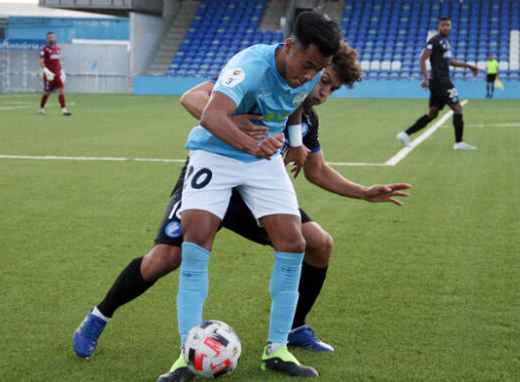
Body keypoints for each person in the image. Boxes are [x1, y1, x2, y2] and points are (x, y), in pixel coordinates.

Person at [72, 41, 410, 379]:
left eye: (331, 88)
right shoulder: (256, 77)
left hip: (254, 193)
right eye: (323, 81)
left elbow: (316, 171)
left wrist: (364, 193)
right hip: (213, 172)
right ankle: (99, 316)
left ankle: (290, 331)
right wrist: (234, 124)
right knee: (164, 259)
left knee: (317, 243)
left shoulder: (305, 119)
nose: (322, 91)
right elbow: (193, 97)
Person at [396, 16, 479, 150]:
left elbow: (450, 61)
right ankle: (459, 143)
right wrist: (425, 78)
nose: (446, 27)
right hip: (441, 81)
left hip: (439, 81)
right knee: (458, 109)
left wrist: (468, 66)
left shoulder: (446, 41)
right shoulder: (435, 40)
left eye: (448, 25)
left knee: (432, 114)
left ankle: (405, 134)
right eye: (443, 25)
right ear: (438, 27)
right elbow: (422, 59)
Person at [39, 32, 71, 116]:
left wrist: (62, 71)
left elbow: (58, 61)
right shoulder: (44, 49)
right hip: (49, 75)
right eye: (49, 37)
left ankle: (64, 110)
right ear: (47, 39)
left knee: (60, 91)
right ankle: (41, 108)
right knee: (47, 92)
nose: (51, 39)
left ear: (55, 38)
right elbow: (41, 62)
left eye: (52, 37)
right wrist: (46, 71)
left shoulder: (57, 48)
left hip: (57, 74)